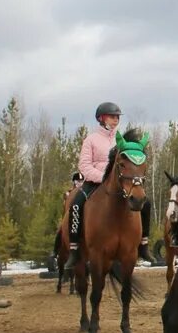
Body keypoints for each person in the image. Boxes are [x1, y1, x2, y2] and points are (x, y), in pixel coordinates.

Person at [64, 102, 153, 268]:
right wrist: (102, 178)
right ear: (101, 118)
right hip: (94, 182)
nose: (116, 119)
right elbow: (84, 165)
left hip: (119, 184)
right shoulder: (90, 140)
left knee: (146, 203)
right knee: (76, 204)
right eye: (112, 116)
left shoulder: (122, 141)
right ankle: (74, 249)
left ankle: (143, 245)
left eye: (117, 117)